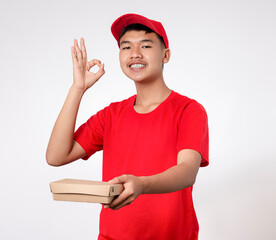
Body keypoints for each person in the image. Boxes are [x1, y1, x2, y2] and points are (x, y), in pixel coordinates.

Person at [46, 13, 209, 240]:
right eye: (126, 47)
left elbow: (187, 172)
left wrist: (142, 184)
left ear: (166, 55)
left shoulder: (188, 110)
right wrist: (77, 88)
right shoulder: (111, 115)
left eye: (146, 45)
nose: (135, 54)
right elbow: (56, 156)